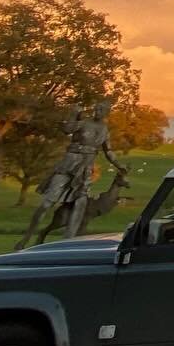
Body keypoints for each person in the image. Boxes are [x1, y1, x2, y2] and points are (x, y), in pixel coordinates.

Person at [15, 100, 129, 248]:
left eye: (101, 110)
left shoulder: (104, 130)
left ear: (107, 112)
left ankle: (67, 242)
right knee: (46, 203)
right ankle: (26, 238)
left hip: (85, 169)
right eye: (96, 109)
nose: (97, 111)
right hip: (69, 164)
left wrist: (119, 165)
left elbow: (109, 151)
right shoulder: (83, 123)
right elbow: (67, 128)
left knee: (80, 204)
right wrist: (74, 113)